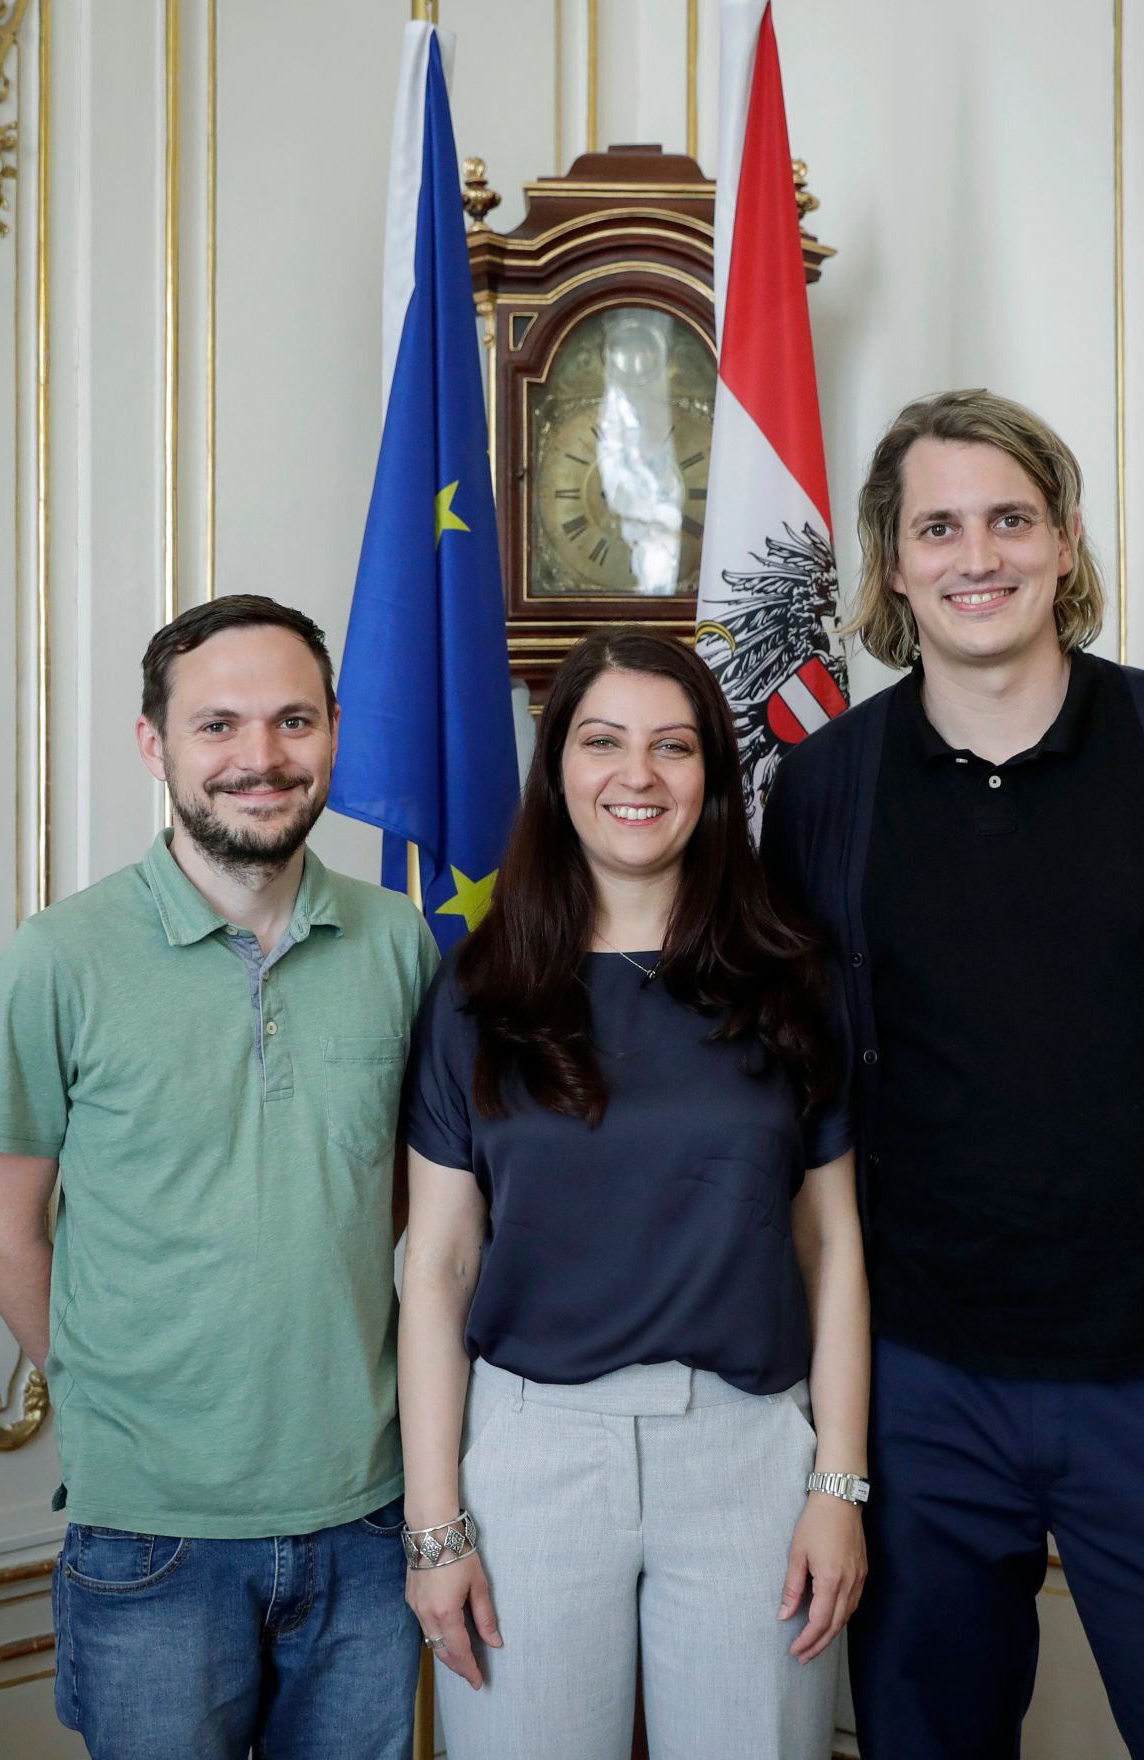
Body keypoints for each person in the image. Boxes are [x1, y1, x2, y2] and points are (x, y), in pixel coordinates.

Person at [762, 389, 1144, 1759]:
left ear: (1064, 543)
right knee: (923, 1735)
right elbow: (795, 1065)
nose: (978, 555)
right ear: (891, 563)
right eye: (939, 526)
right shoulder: (826, 789)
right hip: (914, 1384)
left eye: (1009, 520)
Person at [0, 595, 436, 1760]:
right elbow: (2, 1229)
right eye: (216, 725)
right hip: (149, 1533)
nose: (259, 759)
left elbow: (415, 1211)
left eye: (293, 721)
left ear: (333, 732)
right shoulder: (56, 960)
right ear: (153, 743)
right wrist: (130, 1406)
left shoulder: (399, 943)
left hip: (371, 1513)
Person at [400, 627, 869, 1760]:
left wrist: (838, 1483)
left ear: (712, 776)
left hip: (752, 1452)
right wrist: (432, 1528)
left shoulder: (791, 975)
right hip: (527, 1454)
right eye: (603, 741)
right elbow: (439, 1266)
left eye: (673, 745)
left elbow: (835, 1247)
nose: (637, 774)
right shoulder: (478, 987)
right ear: (557, 768)